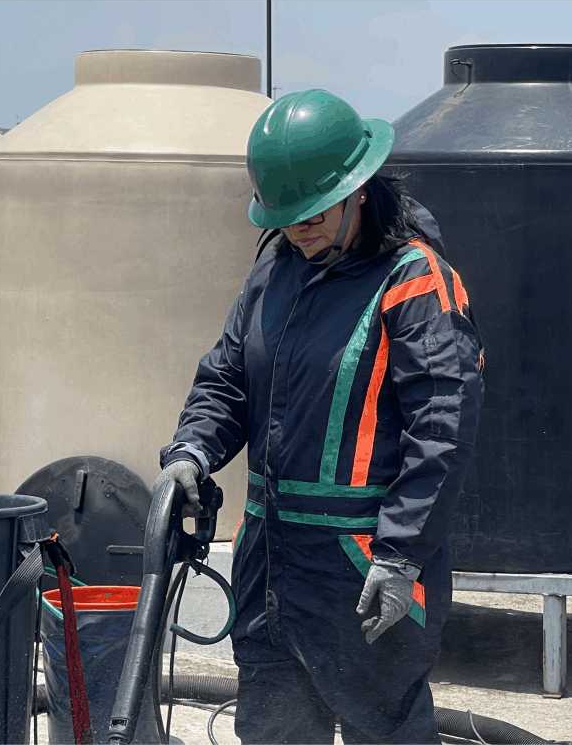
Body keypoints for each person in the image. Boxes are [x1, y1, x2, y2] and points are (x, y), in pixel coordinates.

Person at [151, 89, 485, 744]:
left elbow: (441, 427)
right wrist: (192, 449)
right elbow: (227, 378)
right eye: (285, 215)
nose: (298, 227)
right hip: (270, 564)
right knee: (273, 730)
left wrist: (402, 554)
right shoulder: (274, 269)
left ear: (357, 188)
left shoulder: (413, 281)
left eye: (313, 211)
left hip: (361, 566)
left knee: (382, 731)